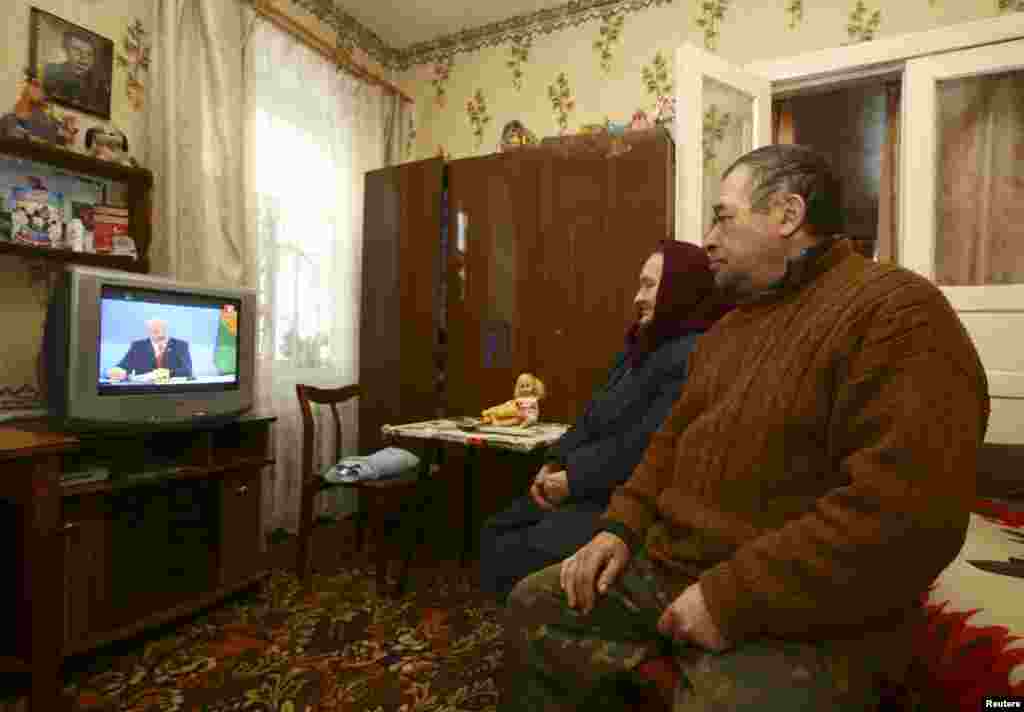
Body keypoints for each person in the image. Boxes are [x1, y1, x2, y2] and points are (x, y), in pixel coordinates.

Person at [500, 144, 990, 710]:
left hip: (809, 608)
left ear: (787, 215)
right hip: (673, 566)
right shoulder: (726, 331)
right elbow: (666, 448)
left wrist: (731, 598)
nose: (707, 237)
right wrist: (620, 526)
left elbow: (908, 510)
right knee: (534, 605)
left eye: (722, 217)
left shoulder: (897, 313)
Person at [479, 240, 732, 602]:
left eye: (648, 285)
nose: (637, 297)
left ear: (679, 287)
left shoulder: (693, 354)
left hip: (618, 500)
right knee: (495, 530)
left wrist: (573, 479)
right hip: (582, 486)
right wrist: (554, 460)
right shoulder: (640, 347)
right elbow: (590, 416)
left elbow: (644, 444)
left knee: (517, 552)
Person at [43, 29, 111, 111]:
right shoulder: (50, 73)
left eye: (89, 54)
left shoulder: (101, 88)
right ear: (66, 50)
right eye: (77, 50)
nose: (83, 59)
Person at [108, 318, 193, 381]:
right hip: (145, 391)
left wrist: (167, 373)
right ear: (148, 331)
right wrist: (118, 371)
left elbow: (188, 371)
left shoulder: (180, 345)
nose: (157, 332)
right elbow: (124, 366)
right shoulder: (138, 346)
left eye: (160, 329)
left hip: (172, 390)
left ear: (166, 329)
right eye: (153, 330)